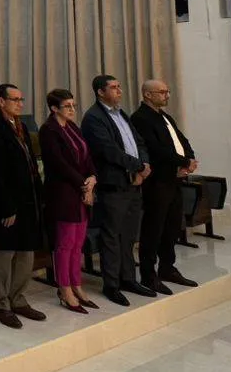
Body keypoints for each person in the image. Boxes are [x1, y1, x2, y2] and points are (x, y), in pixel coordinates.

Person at [0, 83, 46, 328]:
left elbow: (29, 163)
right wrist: (7, 207)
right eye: (14, 99)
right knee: (3, 257)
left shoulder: (21, 126)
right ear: (1, 101)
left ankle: (18, 298)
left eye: (21, 99)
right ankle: (1, 304)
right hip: (4, 205)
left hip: (27, 202)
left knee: (26, 255)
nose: (20, 104)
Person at [81, 74, 152, 306]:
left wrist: (144, 164)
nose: (119, 90)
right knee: (111, 236)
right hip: (113, 183)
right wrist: (138, 166)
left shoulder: (121, 113)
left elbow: (139, 142)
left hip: (133, 181)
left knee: (129, 234)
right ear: (100, 92)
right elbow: (108, 150)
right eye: (113, 87)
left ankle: (128, 278)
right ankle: (111, 284)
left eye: (119, 86)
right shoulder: (93, 117)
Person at [129, 79, 198, 290]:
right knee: (154, 227)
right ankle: (148, 273)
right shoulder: (140, 118)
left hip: (173, 179)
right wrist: (183, 162)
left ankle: (167, 267)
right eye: (162, 92)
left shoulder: (165, 116)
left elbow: (182, 140)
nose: (167, 95)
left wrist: (189, 159)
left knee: (172, 225)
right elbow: (155, 149)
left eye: (167, 91)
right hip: (157, 181)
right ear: (148, 95)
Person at [39, 88, 99, 314]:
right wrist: (84, 184)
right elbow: (59, 164)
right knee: (65, 244)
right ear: (54, 108)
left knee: (78, 243)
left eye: (74, 105)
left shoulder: (73, 126)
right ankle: (64, 289)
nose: (73, 109)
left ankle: (76, 285)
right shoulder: (48, 130)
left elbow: (87, 155)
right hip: (63, 193)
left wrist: (92, 178)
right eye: (67, 106)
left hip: (81, 190)